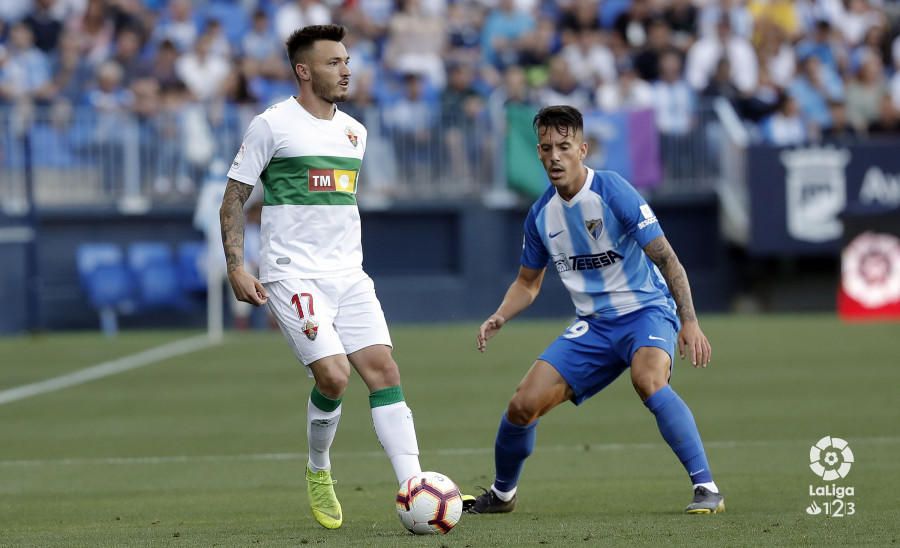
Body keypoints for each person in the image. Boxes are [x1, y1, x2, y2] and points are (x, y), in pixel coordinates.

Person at [219, 24, 470, 530]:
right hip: (293, 276)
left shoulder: (356, 132)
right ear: (304, 71)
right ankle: (318, 467)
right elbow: (232, 199)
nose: (346, 70)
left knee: (384, 371)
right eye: (334, 62)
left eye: (347, 60)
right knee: (334, 376)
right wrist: (236, 267)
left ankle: (414, 486)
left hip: (349, 275)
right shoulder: (272, 125)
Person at [467, 105, 724, 515]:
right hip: (594, 326)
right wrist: (501, 314)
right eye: (547, 148)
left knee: (648, 380)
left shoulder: (613, 191)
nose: (555, 157)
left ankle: (707, 487)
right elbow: (528, 283)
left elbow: (667, 259)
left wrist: (688, 320)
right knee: (521, 405)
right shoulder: (541, 216)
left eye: (564, 147)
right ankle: (502, 495)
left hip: (647, 312)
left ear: (582, 149)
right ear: (538, 153)